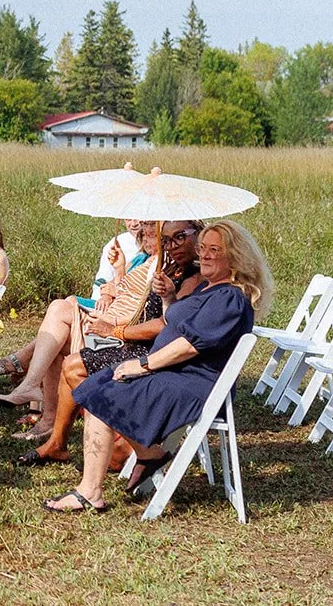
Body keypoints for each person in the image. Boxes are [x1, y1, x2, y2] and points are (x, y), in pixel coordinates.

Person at [44, 219, 273, 513]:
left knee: (102, 393)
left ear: (235, 256)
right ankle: (146, 455)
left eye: (214, 249)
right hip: (178, 375)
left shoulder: (229, 297)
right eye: (203, 248)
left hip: (192, 383)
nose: (204, 254)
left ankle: (92, 490)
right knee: (97, 386)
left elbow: (189, 345)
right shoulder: (210, 289)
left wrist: (143, 364)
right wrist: (168, 298)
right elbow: (175, 324)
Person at [19, 228, 201, 464]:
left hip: (154, 353)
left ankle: (119, 435)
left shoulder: (193, 277)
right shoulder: (167, 269)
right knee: (70, 359)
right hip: (139, 343)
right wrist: (120, 277)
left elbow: (166, 325)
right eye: (165, 240)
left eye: (179, 237)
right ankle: (58, 441)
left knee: (74, 366)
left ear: (197, 235)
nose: (171, 245)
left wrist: (116, 330)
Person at [0, 222, 203, 412]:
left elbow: (155, 317)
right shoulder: (153, 263)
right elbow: (125, 293)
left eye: (177, 237)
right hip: (115, 322)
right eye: (164, 239)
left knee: (61, 314)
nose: (149, 234)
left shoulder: (181, 274)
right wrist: (119, 271)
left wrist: (113, 327)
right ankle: (38, 404)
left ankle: (26, 375)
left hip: (126, 334)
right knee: (59, 322)